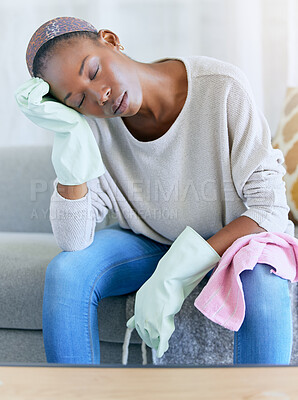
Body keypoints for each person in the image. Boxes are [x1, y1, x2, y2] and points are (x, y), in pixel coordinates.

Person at [15, 16, 295, 365]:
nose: (98, 96)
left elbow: (269, 209)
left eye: (93, 71)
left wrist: (176, 272)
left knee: (262, 281)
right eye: (77, 101)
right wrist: (69, 138)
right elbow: (74, 240)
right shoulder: (91, 129)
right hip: (151, 240)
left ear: (111, 40)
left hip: (235, 240)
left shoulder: (221, 86)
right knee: (66, 271)